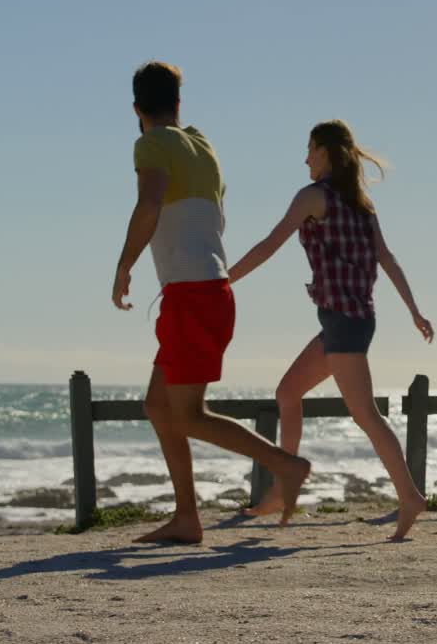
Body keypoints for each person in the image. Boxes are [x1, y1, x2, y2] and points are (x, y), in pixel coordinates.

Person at [112, 61, 312, 544]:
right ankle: (187, 517)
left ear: (136, 109)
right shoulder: (202, 146)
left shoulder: (151, 143)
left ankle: (285, 465)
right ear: (178, 103)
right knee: (159, 406)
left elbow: (149, 204)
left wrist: (124, 266)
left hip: (193, 294)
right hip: (205, 292)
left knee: (187, 414)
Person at [228, 119, 432, 541]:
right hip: (351, 320)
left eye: (310, 149)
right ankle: (283, 488)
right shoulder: (361, 205)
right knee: (288, 393)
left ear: (324, 151)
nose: (305, 159)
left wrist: (224, 280)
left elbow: (270, 244)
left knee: (366, 415)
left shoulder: (314, 197)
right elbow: (388, 259)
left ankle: (410, 497)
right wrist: (413, 311)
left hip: (344, 322)